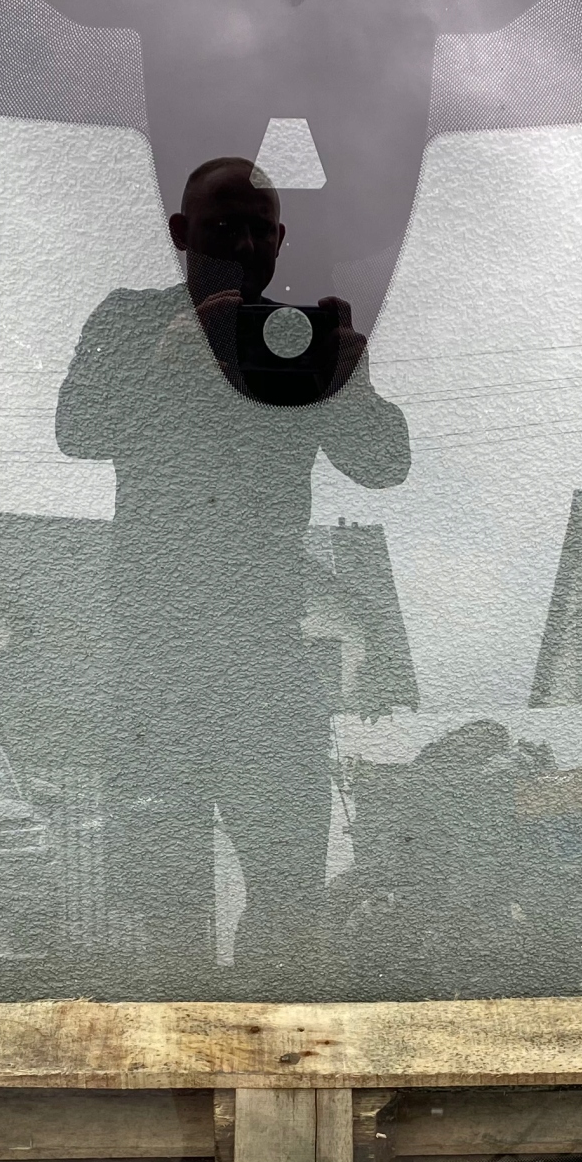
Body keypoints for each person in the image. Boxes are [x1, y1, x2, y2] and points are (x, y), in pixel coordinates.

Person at [56, 157, 410, 992]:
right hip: (157, 654)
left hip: (264, 653)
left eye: (259, 230)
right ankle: (181, 1046)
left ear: (281, 240)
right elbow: (76, 428)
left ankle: (267, 1032)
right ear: (181, 235)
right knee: (162, 905)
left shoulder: (292, 335)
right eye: (223, 228)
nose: (245, 247)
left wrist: (350, 385)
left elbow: (385, 464)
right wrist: (166, 361)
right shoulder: (130, 320)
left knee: (289, 894)